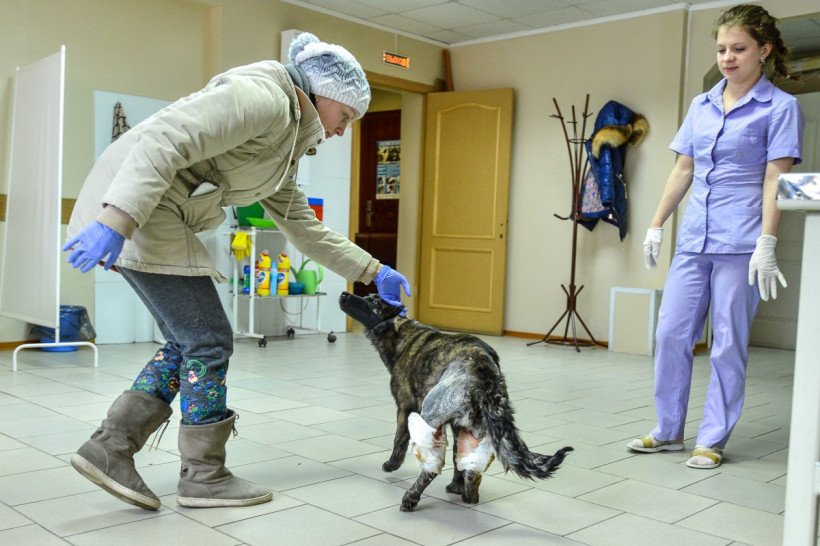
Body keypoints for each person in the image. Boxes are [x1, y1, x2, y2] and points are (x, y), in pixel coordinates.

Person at [62, 32, 411, 510]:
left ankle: (110, 448)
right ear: (324, 94)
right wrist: (115, 220)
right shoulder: (264, 98)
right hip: (136, 208)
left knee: (188, 341)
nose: (342, 131)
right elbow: (167, 138)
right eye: (346, 116)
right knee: (207, 341)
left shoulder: (285, 141)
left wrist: (373, 269)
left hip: (147, 212)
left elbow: (303, 226)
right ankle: (203, 476)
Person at [629, 4, 804, 469]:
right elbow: (683, 169)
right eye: (722, 49)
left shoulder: (781, 108)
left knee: (727, 342)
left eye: (738, 48)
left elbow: (775, 179)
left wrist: (767, 242)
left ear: (764, 50)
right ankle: (668, 430)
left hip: (742, 241)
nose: (728, 57)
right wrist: (656, 223)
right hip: (694, 239)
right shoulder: (701, 105)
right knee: (671, 333)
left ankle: (712, 438)